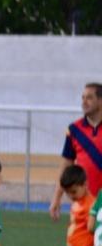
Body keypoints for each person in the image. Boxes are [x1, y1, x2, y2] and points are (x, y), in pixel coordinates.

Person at [50, 83, 102, 216]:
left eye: (89, 98)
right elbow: (65, 166)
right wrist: (57, 197)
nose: (84, 102)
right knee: (78, 237)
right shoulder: (74, 130)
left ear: (100, 100)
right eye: (82, 98)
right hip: (83, 204)